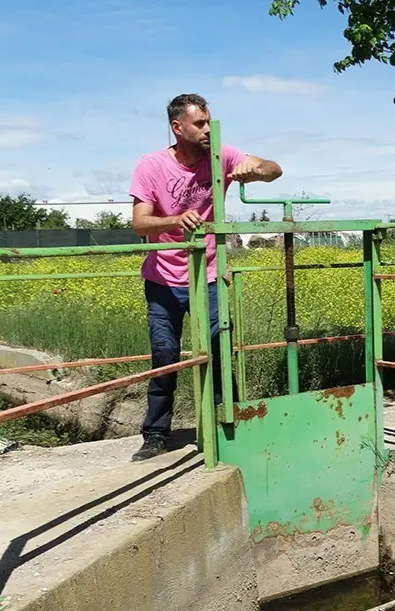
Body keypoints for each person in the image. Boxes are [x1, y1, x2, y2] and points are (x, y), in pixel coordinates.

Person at [128, 93, 282, 461]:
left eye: (209, 121)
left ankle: (225, 427)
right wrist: (174, 220)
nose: (207, 129)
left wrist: (254, 171)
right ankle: (155, 435)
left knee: (217, 352)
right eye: (199, 124)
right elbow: (138, 223)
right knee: (165, 355)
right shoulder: (150, 166)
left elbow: (274, 168)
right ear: (177, 127)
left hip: (210, 275)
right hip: (164, 280)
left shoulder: (221, 153)